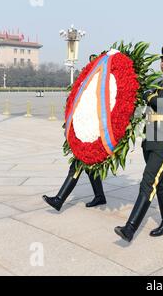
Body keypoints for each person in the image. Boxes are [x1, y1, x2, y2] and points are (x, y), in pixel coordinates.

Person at [115, 44, 163, 242]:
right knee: (161, 181)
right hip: (150, 138)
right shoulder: (157, 82)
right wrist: (149, 95)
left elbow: (160, 102)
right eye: (162, 60)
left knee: (148, 180)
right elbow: (148, 97)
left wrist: (149, 95)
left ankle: (130, 228)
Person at [42, 54, 107, 212]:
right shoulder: (87, 86)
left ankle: (59, 200)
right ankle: (99, 196)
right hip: (85, 130)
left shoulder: (102, 87)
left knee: (77, 165)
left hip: (92, 132)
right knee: (89, 166)